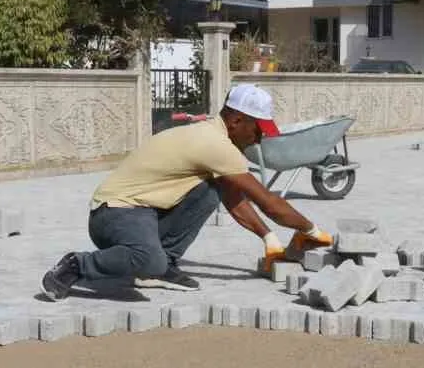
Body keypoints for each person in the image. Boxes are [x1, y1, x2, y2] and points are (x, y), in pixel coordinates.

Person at [40, 84, 333, 300]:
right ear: (236, 121)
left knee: (211, 189)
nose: (259, 137)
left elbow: (232, 199)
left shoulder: (212, 136)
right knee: (148, 259)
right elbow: (268, 202)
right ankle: (76, 265)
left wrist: (268, 238)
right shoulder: (216, 145)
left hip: (143, 212)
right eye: (258, 129)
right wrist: (313, 230)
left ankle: (162, 264)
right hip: (114, 213)